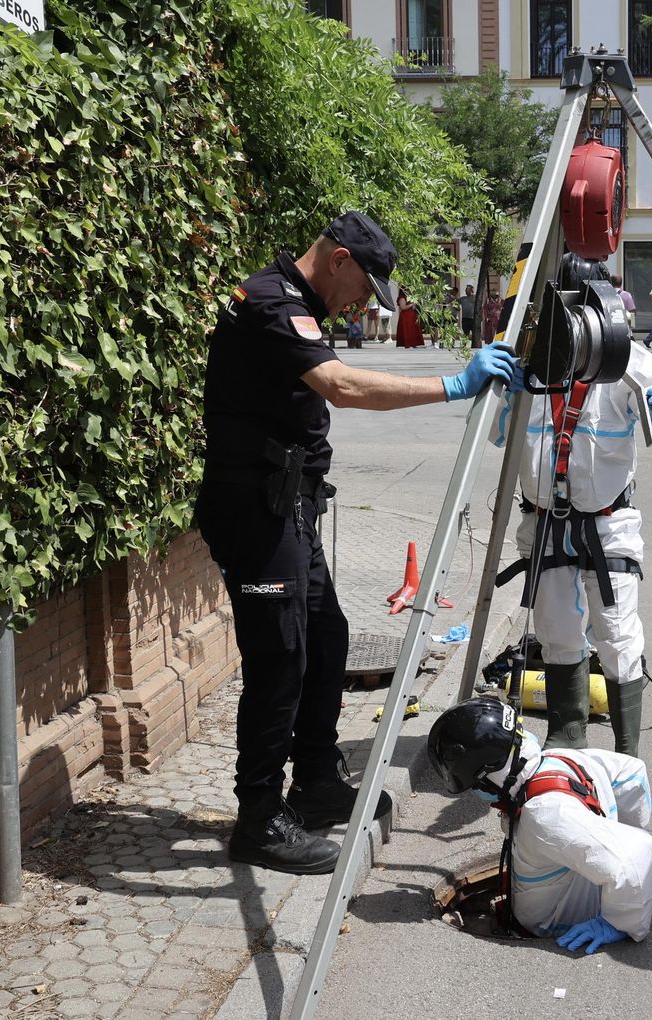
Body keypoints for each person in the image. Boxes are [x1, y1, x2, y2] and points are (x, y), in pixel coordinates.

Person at [196, 211, 521, 874]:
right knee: (279, 659)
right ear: (338, 257)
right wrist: (453, 385)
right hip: (255, 516)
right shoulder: (271, 303)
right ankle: (258, 818)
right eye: (362, 285)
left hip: (287, 509)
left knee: (326, 636)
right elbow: (342, 386)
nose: (360, 304)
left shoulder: (297, 302)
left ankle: (314, 783)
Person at [492, 327, 652, 758]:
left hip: (608, 525)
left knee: (618, 635)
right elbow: (497, 434)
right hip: (544, 523)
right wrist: (507, 393)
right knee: (557, 631)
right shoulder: (532, 358)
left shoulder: (623, 357)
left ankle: (626, 748)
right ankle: (568, 735)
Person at [426, 698, 652, 951]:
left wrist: (618, 922)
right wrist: (616, 830)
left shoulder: (546, 815)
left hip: (559, 929)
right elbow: (632, 773)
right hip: (555, 897)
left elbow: (633, 855)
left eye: (475, 786)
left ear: (488, 773)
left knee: (620, 861)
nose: (476, 793)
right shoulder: (559, 759)